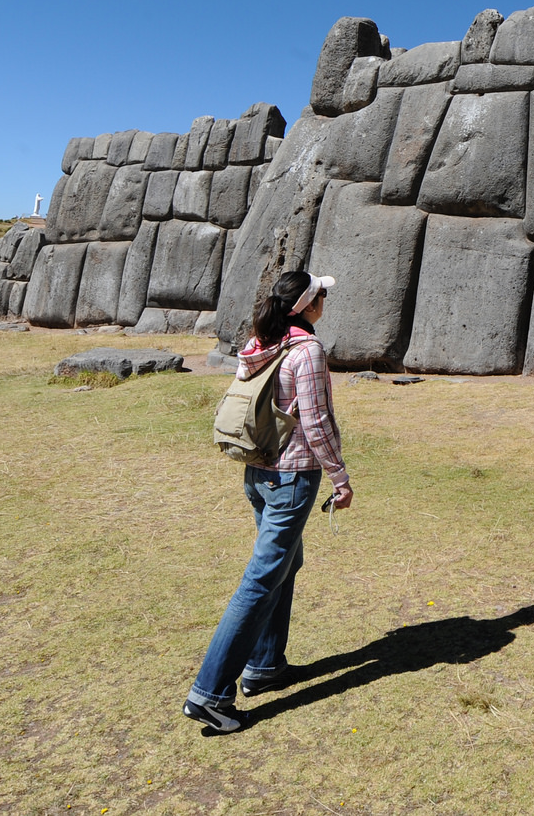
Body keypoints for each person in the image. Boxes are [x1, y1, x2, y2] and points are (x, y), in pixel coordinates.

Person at [183, 269, 354, 733]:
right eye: (321, 295)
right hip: (293, 476)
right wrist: (340, 479)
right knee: (260, 580)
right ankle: (210, 694)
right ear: (309, 305)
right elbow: (316, 424)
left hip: (258, 470)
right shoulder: (307, 350)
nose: (325, 302)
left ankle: (264, 667)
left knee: (283, 564)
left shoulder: (262, 341)